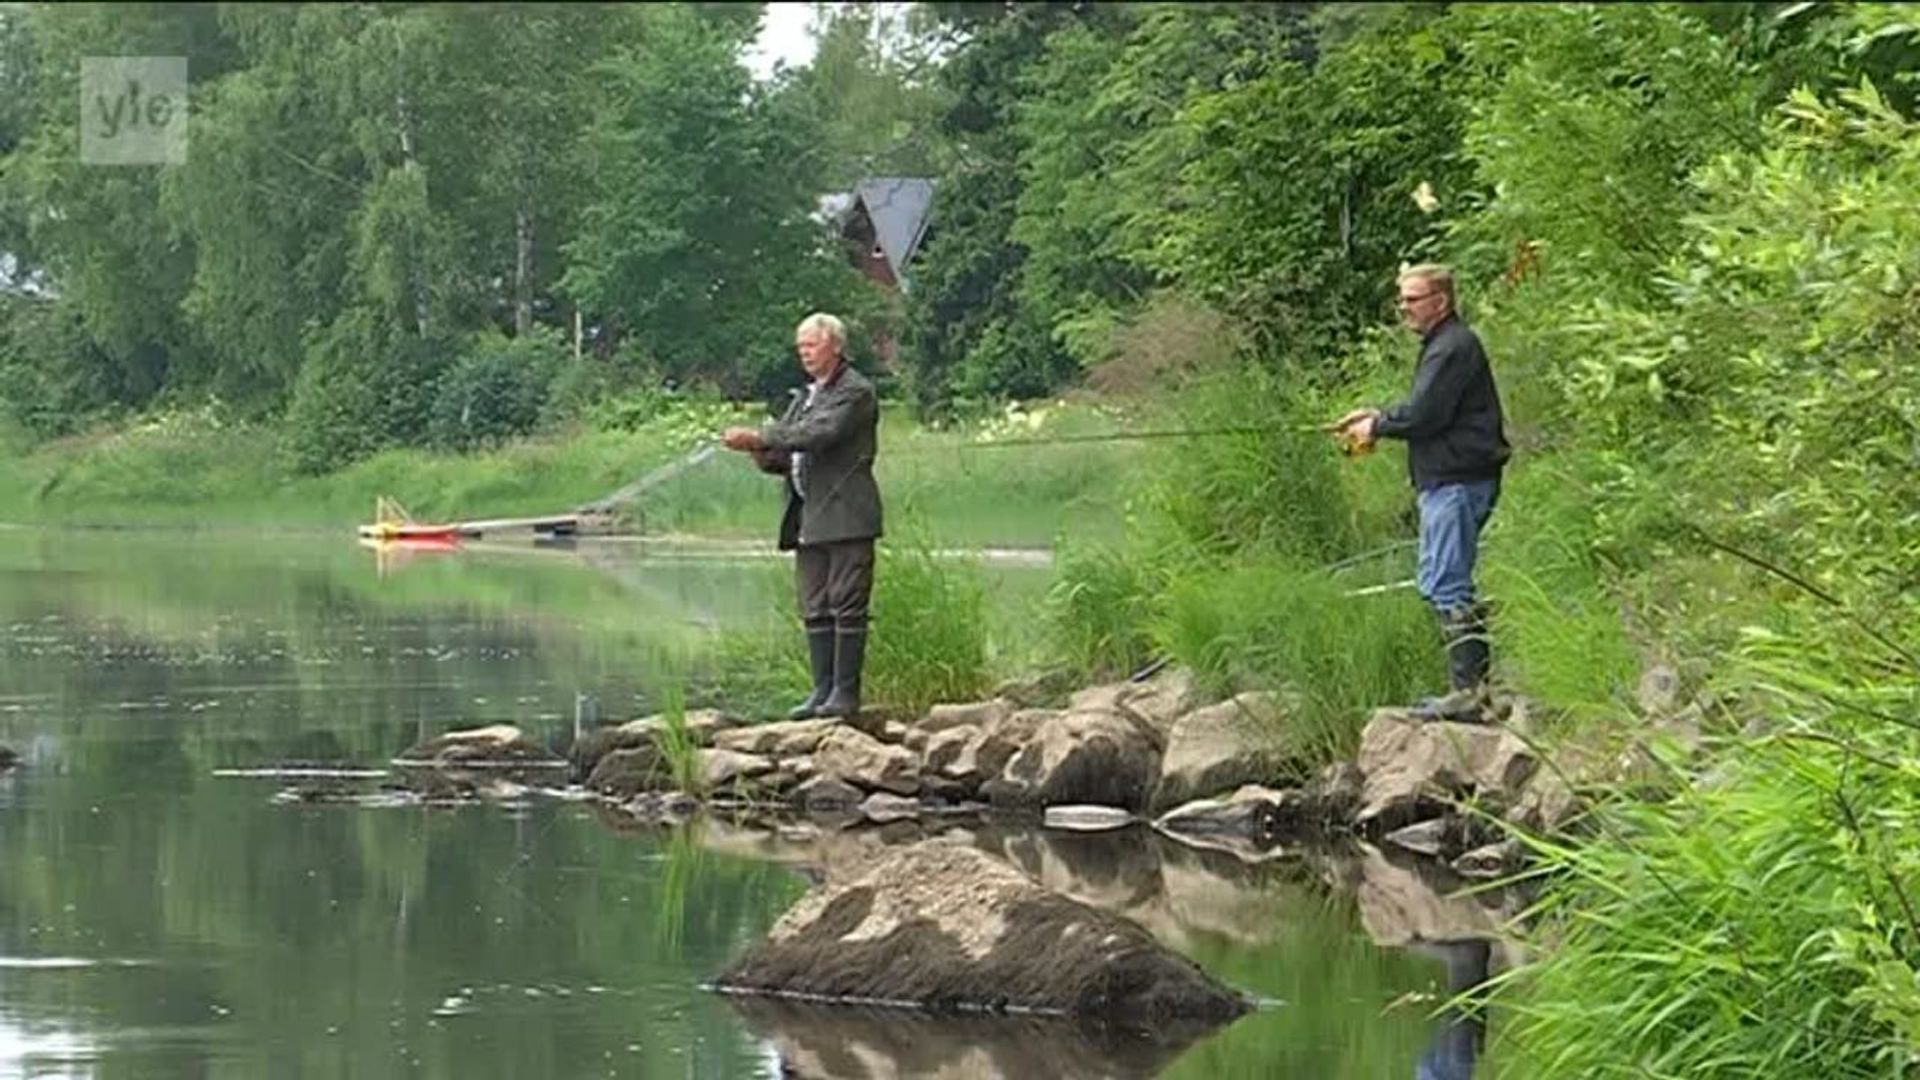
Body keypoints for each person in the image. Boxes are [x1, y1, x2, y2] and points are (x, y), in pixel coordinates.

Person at [1335, 265, 1510, 720]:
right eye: (1402, 300)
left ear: (1441, 301)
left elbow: (1424, 416)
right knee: (1436, 580)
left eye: (1412, 299)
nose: (1404, 309)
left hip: (1458, 482)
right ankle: (1471, 691)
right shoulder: (1443, 346)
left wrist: (1377, 425)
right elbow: (1425, 408)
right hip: (1446, 482)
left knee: (1449, 582)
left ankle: (1470, 695)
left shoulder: (1452, 347)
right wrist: (1376, 416)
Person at [721, 313, 883, 720]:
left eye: (811, 345)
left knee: (847, 601)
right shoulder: (806, 396)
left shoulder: (855, 391)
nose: (804, 353)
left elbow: (819, 434)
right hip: (808, 515)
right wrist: (760, 452)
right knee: (815, 604)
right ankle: (821, 691)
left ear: (836, 346)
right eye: (800, 347)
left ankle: (845, 694)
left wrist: (760, 435)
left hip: (846, 513)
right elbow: (788, 451)